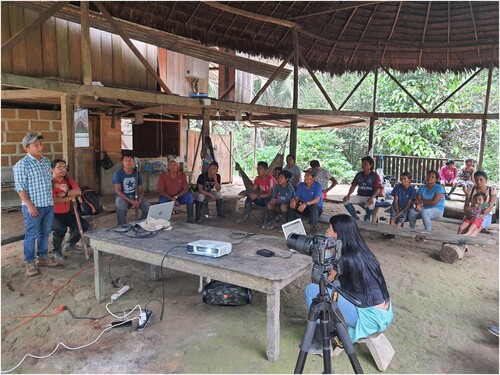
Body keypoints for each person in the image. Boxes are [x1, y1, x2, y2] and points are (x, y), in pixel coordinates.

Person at [304, 214, 393, 352]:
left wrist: (324, 257)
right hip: (384, 312)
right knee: (336, 290)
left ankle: (320, 340)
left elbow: (322, 282)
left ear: (339, 234)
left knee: (311, 290)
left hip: (369, 317)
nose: (327, 231)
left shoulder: (343, 259)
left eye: (330, 229)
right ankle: (332, 327)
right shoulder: (360, 250)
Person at [13, 134, 60, 277]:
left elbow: (47, 181)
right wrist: (29, 206)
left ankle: (42, 257)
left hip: (48, 204)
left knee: (45, 232)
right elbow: (21, 188)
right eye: (36, 145)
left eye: (41, 144)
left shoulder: (45, 161)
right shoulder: (22, 165)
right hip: (33, 207)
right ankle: (29, 262)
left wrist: (57, 185)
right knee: (31, 234)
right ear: (27, 148)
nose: (41, 147)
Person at [51, 159, 90, 259]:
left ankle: (70, 244)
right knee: (60, 229)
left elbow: (78, 191)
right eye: (59, 167)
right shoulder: (49, 182)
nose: (63, 169)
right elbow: (52, 200)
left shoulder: (68, 180)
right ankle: (56, 250)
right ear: (52, 169)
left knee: (84, 225)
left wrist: (64, 194)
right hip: (52, 214)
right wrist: (69, 198)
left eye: (64, 167)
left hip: (67, 212)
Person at [112, 154, 151, 225]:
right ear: (122, 162)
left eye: (130, 160)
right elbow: (118, 191)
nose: (128, 162)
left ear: (133, 162)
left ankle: (141, 224)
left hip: (135, 196)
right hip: (122, 197)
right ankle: (122, 226)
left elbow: (141, 190)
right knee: (121, 208)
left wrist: (139, 200)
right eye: (126, 160)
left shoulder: (137, 174)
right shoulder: (117, 174)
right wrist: (130, 201)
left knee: (147, 206)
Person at [343, 156, 381, 222]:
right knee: (345, 200)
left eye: (366, 164)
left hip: (370, 197)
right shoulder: (359, 175)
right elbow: (353, 186)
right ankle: (355, 217)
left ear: (371, 165)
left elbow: (378, 189)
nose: (363, 165)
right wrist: (348, 194)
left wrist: (372, 197)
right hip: (359, 195)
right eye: (362, 163)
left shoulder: (375, 176)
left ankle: (367, 218)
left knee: (371, 205)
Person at [463, 171, 497, 235]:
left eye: (481, 179)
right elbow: (465, 207)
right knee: (463, 227)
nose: (478, 182)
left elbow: (489, 207)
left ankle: (465, 242)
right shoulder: (471, 189)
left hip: (486, 215)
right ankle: (459, 242)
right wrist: (468, 214)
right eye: (476, 180)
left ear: (486, 180)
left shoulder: (492, 190)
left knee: (476, 228)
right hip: (472, 213)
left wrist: (480, 214)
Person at [289, 170, 323, 235]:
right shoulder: (300, 185)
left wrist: (305, 204)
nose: (305, 178)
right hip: (304, 208)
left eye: (308, 176)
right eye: (305, 176)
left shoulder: (318, 186)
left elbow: (316, 200)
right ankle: (292, 225)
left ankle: (313, 227)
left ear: (313, 178)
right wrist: (293, 201)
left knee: (314, 206)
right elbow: (296, 198)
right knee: (291, 205)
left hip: (316, 210)